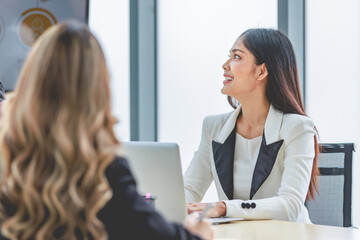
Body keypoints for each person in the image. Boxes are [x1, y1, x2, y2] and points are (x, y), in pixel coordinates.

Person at [0, 22, 213, 240]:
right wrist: (196, 234)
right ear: (97, 90)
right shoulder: (101, 173)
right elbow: (150, 232)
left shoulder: (10, 161)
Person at [184, 28, 319, 223]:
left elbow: (289, 205)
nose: (225, 65)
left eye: (236, 57)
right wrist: (171, 207)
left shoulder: (298, 128)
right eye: (228, 57)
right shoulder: (213, 127)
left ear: (261, 71)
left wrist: (225, 208)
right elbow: (190, 189)